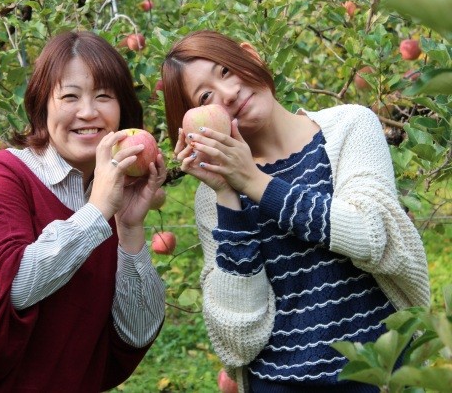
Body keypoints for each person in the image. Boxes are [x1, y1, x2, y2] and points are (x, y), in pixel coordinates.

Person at [161, 30, 430, 392]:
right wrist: (228, 194)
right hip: (277, 383)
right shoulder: (213, 197)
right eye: (206, 96)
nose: (227, 94)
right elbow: (238, 339)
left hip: (381, 375)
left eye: (226, 71)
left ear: (251, 55)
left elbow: (372, 234)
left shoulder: (349, 127)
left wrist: (254, 183)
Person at [0, 31, 167, 392]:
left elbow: (136, 333)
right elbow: (14, 287)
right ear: (42, 106)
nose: (88, 112)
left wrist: (130, 227)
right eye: (70, 96)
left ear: (122, 109)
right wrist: (97, 211)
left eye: (104, 96)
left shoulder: (112, 197)